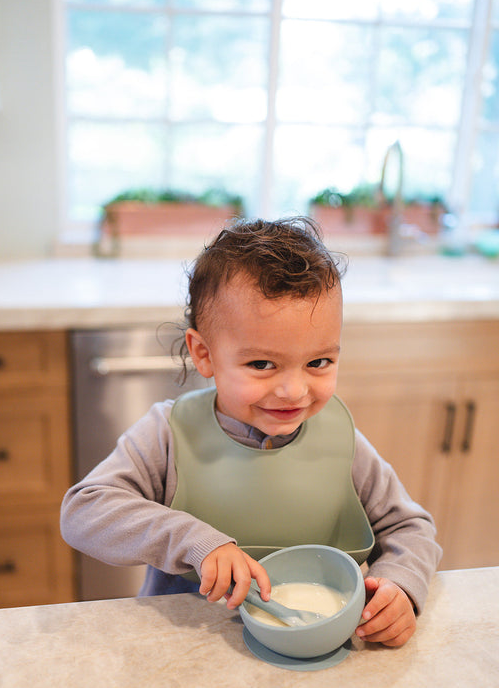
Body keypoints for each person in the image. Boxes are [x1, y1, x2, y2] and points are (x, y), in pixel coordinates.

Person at [61, 217, 442, 647]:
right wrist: (194, 540)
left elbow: (410, 527)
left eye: (318, 362)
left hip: (312, 654)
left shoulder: (342, 441)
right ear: (204, 354)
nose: (293, 390)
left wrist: (400, 586)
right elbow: (83, 512)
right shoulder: (167, 435)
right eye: (262, 364)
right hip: (184, 652)